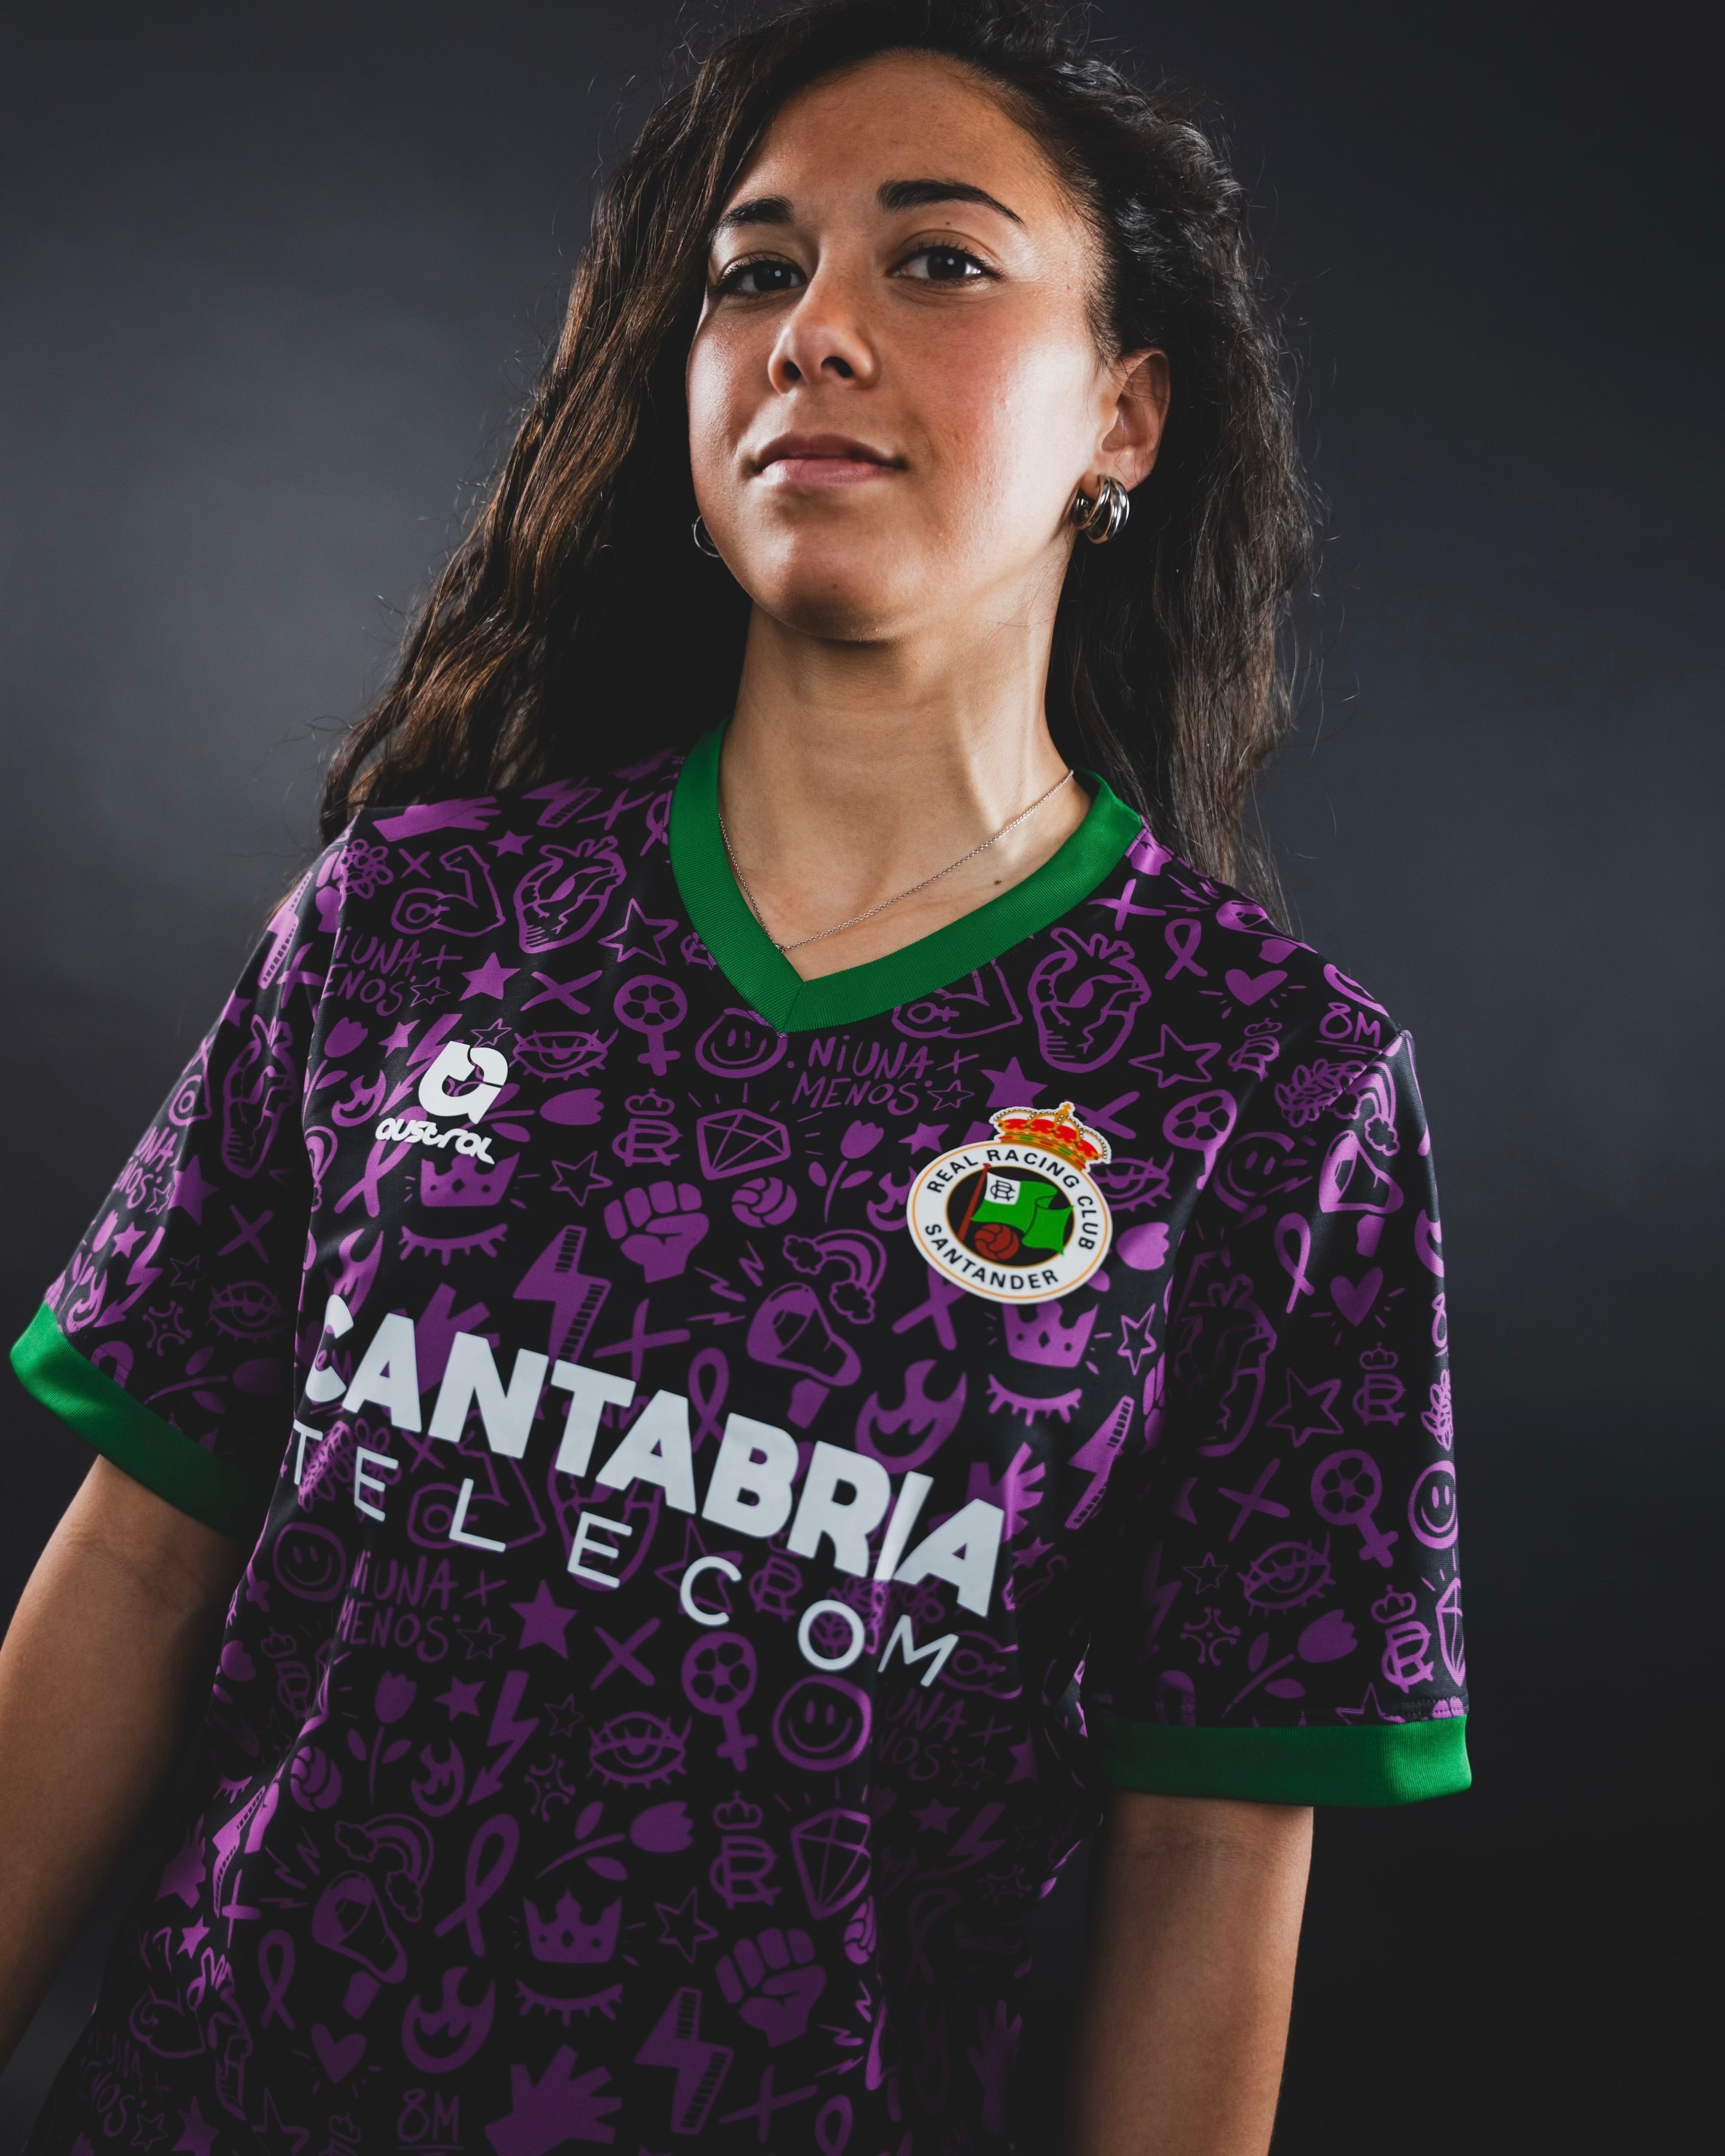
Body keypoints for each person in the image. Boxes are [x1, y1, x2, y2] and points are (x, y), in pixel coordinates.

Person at [0, 3, 1468, 2150]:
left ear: (1125, 417)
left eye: (938, 261)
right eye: (754, 271)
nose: (814, 333)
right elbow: (134, 1576)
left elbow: (1209, 1852)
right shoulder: (411, 916)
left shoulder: (1271, 1086)